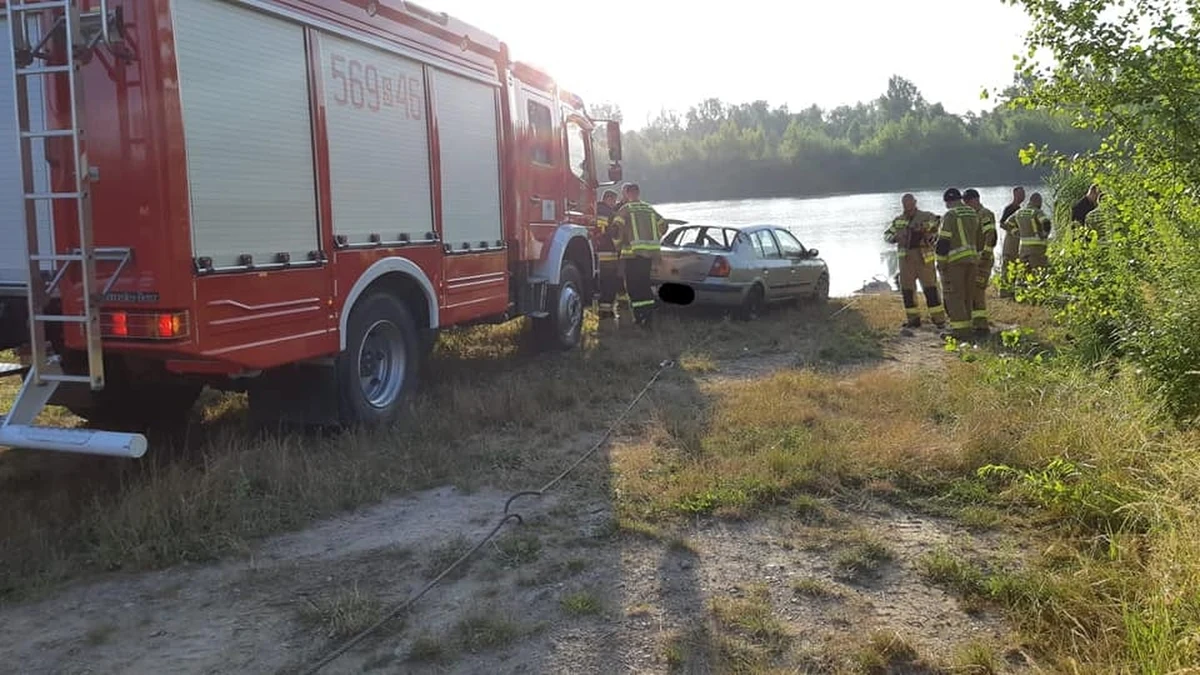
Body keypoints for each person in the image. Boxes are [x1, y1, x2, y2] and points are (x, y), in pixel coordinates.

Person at [883, 193, 946, 329]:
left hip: (924, 259)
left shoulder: (926, 216)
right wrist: (896, 237)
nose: (908, 207)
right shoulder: (898, 220)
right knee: (907, 291)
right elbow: (887, 235)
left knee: (931, 290)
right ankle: (913, 320)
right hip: (906, 261)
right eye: (905, 204)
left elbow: (937, 222)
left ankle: (939, 320)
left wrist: (923, 227)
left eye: (910, 204)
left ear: (915, 202)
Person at [610, 182, 667, 326]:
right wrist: (654, 239)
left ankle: (639, 316)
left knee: (633, 287)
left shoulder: (626, 209)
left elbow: (615, 229)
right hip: (648, 255)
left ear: (627, 194)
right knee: (644, 284)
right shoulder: (649, 209)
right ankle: (648, 317)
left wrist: (617, 245)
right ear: (638, 193)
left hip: (631, 254)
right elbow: (664, 225)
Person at [935, 188, 982, 340]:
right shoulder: (972, 212)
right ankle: (968, 327)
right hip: (972, 260)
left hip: (955, 261)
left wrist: (940, 263)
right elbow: (979, 238)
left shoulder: (950, 215)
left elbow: (943, 241)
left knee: (954, 296)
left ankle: (960, 331)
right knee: (968, 295)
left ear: (948, 202)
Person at [963, 189, 997, 335]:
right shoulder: (971, 215)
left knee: (978, 290)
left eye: (967, 203)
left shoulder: (985, 214)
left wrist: (986, 255)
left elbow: (991, 235)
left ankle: (982, 326)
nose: (966, 206)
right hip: (973, 259)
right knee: (972, 290)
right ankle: (976, 322)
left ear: (974, 200)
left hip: (982, 259)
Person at [1004, 191, 1053, 274]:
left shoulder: (1019, 213)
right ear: (1037, 202)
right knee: (1040, 274)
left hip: (1023, 250)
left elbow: (1008, 224)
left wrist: (1017, 233)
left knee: (1025, 274)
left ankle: (1021, 286)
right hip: (1037, 249)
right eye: (1040, 203)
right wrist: (1045, 234)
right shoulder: (1037, 212)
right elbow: (1046, 222)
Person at [593, 190, 621, 319]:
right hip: (607, 253)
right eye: (613, 201)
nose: (614, 204)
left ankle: (603, 310)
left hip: (598, 252)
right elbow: (604, 230)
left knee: (603, 283)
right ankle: (607, 312)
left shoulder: (596, 209)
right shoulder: (606, 212)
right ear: (608, 199)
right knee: (609, 282)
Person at [998, 186, 1025, 298]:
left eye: (1023, 194)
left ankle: (1013, 290)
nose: (1022, 196)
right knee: (1007, 265)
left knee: (1016, 266)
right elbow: (1002, 223)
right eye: (1020, 194)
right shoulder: (1010, 208)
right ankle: (1004, 292)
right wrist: (1014, 231)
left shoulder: (1021, 208)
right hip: (1010, 241)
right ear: (1014, 195)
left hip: (1019, 242)